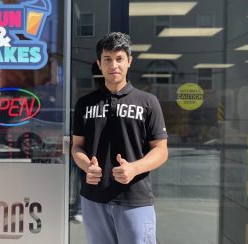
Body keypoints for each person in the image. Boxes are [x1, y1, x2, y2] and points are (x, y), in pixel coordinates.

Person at [71, 32, 168, 244]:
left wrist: (134, 168)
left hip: (135, 200)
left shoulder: (148, 102)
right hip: (93, 199)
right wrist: (87, 165)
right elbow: (76, 147)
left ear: (129, 61)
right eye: (107, 59)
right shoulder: (85, 104)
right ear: (99, 63)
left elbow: (161, 150)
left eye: (119, 58)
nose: (113, 65)